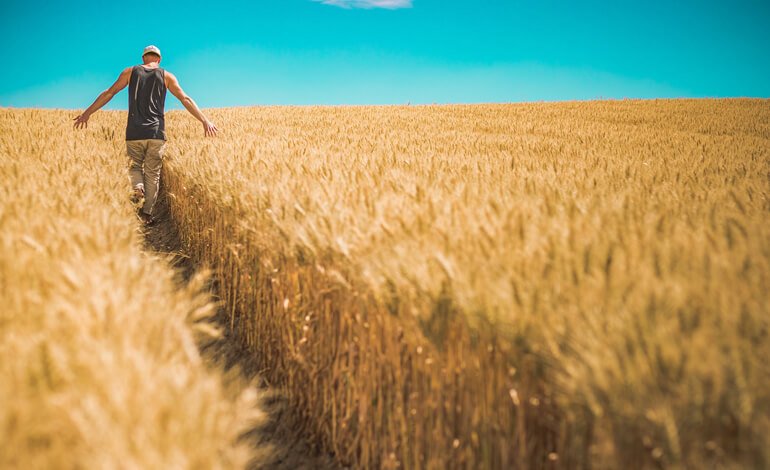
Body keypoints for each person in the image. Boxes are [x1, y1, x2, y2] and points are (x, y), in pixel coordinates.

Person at [73, 45, 218, 225]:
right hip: (156, 133)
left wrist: (87, 113)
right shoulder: (167, 76)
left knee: (134, 167)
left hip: (134, 132)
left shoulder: (129, 72)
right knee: (153, 174)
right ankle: (146, 214)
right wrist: (205, 121)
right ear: (159, 59)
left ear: (143, 58)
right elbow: (185, 99)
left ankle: (137, 186)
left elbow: (109, 93)